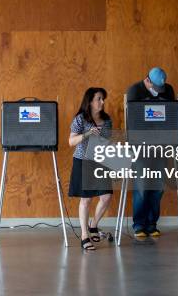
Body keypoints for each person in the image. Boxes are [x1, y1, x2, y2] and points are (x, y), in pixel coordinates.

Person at [126, 67, 175, 238]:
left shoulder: (168, 90)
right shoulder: (135, 91)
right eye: (155, 87)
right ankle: (139, 224)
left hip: (161, 146)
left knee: (158, 186)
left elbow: (171, 117)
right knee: (141, 186)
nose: (158, 91)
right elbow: (133, 122)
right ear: (147, 80)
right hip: (140, 147)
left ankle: (152, 223)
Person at [68, 87, 113, 250]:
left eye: (103, 99)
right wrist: (88, 134)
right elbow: (71, 142)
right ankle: (85, 235)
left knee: (106, 196)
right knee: (86, 200)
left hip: (100, 161)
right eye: (99, 99)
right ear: (90, 101)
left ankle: (93, 225)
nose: (102, 102)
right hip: (82, 161)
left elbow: (108, 142)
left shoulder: (107, 120)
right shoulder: (80, 119)